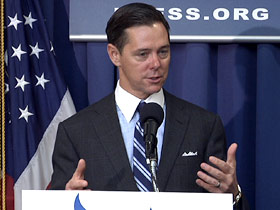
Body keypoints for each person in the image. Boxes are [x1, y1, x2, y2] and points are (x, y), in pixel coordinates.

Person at [50, 2, 249, 209]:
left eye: (163, 52)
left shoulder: (203, 126)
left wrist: (233, 195)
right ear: (114, 54)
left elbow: (223, 203)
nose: (156, 64)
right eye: (143, 54)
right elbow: (56, 202)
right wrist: (65, 203)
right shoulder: (75, 132)